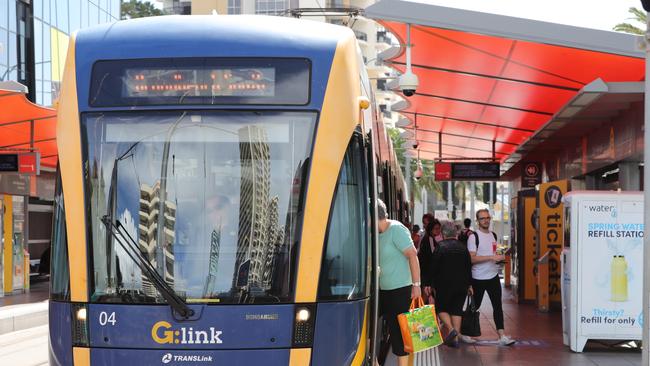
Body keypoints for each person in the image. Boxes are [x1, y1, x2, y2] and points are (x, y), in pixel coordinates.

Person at [377, 199, 422, 366]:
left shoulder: (396, 229)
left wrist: (416, 286)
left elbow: (412, 255)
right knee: (392, 331)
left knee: (401, 334)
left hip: (402, 290)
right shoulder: (376, 234)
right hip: (384, 290)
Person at [466, 209, 516, 346]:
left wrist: (498, 259)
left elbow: (492, 253)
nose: (486, 220)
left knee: (497, 306)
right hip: (478, 277)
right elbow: (472, 259)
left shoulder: (493, 235)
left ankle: (502, 335)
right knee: (474, 307)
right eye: (482, 218)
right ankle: (464, 333)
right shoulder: (473, 237)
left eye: (488, 217)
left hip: (493, 276)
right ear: (478, 221)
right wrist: (490, 257)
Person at [430, 220, 473, 348]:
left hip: (444, 284)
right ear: (456, 234)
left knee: (441, 308)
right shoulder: (463, 247)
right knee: (456, 310)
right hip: (462, 284)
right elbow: (468, 267)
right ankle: (455, 339)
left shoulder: (440, 247)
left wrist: (428, 283)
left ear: (443, 234)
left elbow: (433, 267)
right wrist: (470, 285)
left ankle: (451, 329)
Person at [417, 219, 441, 304]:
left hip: (426, 272)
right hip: (427, 273)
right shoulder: (429, 239)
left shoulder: (428, 238)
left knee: (426, 296)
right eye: (436, 229)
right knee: (426, 295)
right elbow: (433, 256)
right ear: (431, 229)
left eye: (439, 229)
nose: (438, 231)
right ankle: (421, 315)